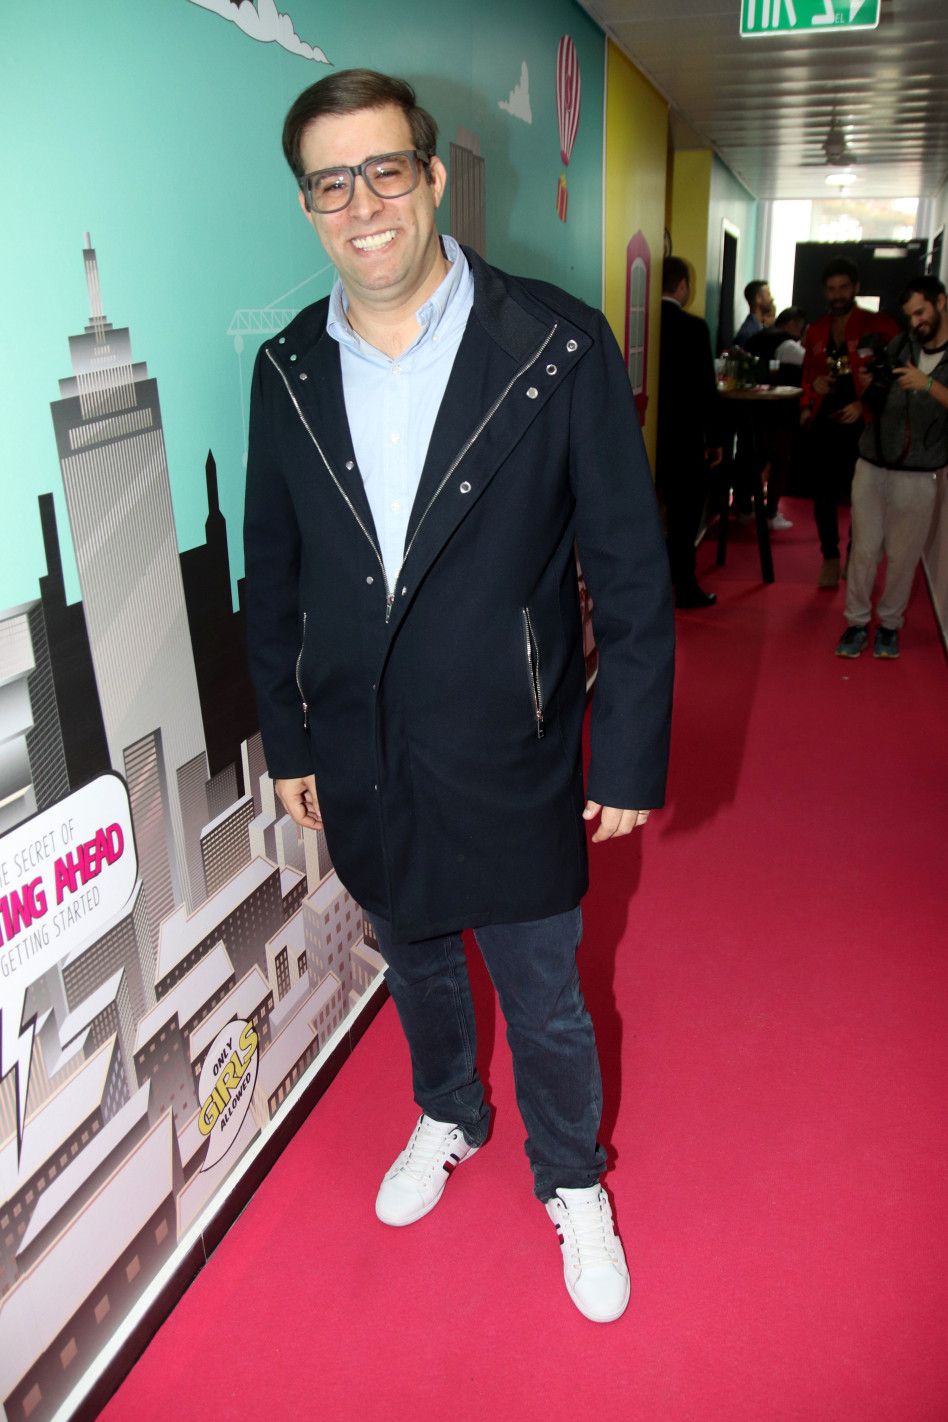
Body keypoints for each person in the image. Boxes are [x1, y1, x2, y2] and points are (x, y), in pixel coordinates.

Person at [243, 70, 675, 1324]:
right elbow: (271, 572)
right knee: (416, 962)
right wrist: (289, 738)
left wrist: (626, 753)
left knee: (543, 995)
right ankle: (448, 1114)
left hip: (516, 744)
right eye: (331, 183)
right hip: (362, 747)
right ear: (308, 206)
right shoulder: (288, 367)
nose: (363, 205)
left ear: (432, 178)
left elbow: (629, 570)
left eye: (386, 170)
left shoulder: (554, 344)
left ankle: (572, 1178)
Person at [835, 275, 948, 660]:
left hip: (919, 474)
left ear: (941, 302)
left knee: (903, 556)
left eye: (921, 312)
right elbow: (877, 396)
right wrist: (869, 383)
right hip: (871, 463)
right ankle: (855, 623)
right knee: (864, 551)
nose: (916, 322)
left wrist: (927, 383)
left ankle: (889, 626)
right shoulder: (901, 344)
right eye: (910, 315)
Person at [800, 258, 899, 588]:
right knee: (824, 495)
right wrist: (814, 385)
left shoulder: (880, 324)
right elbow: (810, 370)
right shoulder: (816, 328)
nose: (838, 294)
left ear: (855, 287)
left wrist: (864, 403)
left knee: (863, 495)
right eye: (832, 289)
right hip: (827, 420)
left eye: (844, 287)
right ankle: (830, 557)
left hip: (865, 421)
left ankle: (858, 553)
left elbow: (895, 375)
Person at [657, 256, 724, 607]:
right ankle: (684, 586)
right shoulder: (694, 328)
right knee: (684, 518)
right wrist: (715, 439)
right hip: (684, 437)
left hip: (648, 434)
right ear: (683, 284)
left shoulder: (643, 322)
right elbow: (705, 389)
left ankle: (651, 586)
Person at [744, 307, 808, 529]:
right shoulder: (787, 345)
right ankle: (771, 513)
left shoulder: (755, 339)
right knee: (780, 461)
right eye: (800, 327)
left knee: (751, 460)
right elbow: (811, 362)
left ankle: (744, 508)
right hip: (779, 413)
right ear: (791, 324)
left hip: (751, 410)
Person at [734, 279, 774, 348]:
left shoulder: (760, 328)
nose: (772, 298)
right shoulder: (748, 333)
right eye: (768, 295)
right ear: (758, 298)